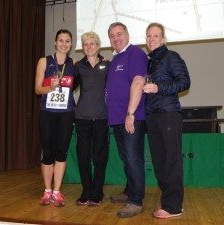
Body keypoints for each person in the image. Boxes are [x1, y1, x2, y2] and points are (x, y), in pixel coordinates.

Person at [140, 22, 191, 218]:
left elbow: (185, 82)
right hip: (152, 116)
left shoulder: (171, 56)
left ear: (163, 39)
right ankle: (168, 198)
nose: (151, 39)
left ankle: (173, 206)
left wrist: (158, 87)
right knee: (160, 160)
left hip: (169, 114)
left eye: (156, 36)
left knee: (171, 160)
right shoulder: (149, 61)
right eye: (148, 36)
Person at [105, 22, 148, 218]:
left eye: (119, 34)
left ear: (127, 34)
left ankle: (136, 201)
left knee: (133, 158)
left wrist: (130, 114)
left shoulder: (135, 54)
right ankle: (130, 190)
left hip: (131, 118)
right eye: (112, 36)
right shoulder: (115, 59)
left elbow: (138, 82)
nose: (116, 38)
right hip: (117, 119)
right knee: (126, 158)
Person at [35, 29, 76, 207]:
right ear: (55, 42)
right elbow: (37, 89)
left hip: (66, 114)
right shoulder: (44, 61)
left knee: (62, 152)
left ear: (71, 44)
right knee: (48, 152)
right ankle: (47, 191)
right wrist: (49, 88)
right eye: (61, 40)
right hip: (48, 113)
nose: (64, 44)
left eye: (67, 41)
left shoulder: (73, 64)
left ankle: (57, 192)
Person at [74, 31, 110, 206]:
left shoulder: (107, 65)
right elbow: (68, 86)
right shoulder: (77, 66)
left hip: (102, 117)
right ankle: (86, 190)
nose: (89, 46)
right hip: (82, 118)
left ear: (98, 45)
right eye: (85, 44)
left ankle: (97, 191)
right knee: (83, 155)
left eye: (92, 43)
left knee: (100, 156)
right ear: (83, 47)